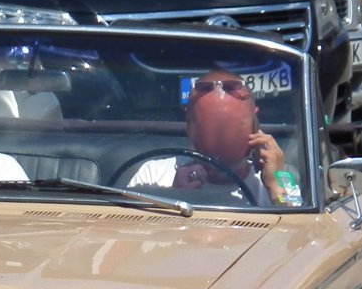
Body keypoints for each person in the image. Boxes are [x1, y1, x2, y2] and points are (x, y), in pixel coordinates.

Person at [128, 70, 299, 207]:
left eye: (232, 124)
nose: (221, 136)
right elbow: (128, 235)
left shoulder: (282, 175)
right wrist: (173, 196)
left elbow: (300, 234)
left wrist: (277, 185)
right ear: (190, 128)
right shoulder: (152, 174)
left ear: (255, 125)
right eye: (209, 124)